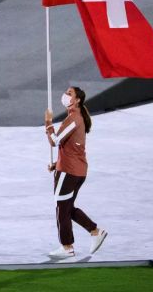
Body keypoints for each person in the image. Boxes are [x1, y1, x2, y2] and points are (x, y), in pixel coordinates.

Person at [44, 86, 107, 260]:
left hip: (68, 172)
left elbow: (55, 141)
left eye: (69, 93)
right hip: (76, 171)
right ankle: (95, 231)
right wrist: (57, 164)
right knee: (68, 207)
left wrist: (48, 123)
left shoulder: (74, 118)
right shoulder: (78, 118)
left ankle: (67, 247)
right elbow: (73, 149)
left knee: (61, 209)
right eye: (66, 92)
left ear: (77, 100)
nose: (65, 95)